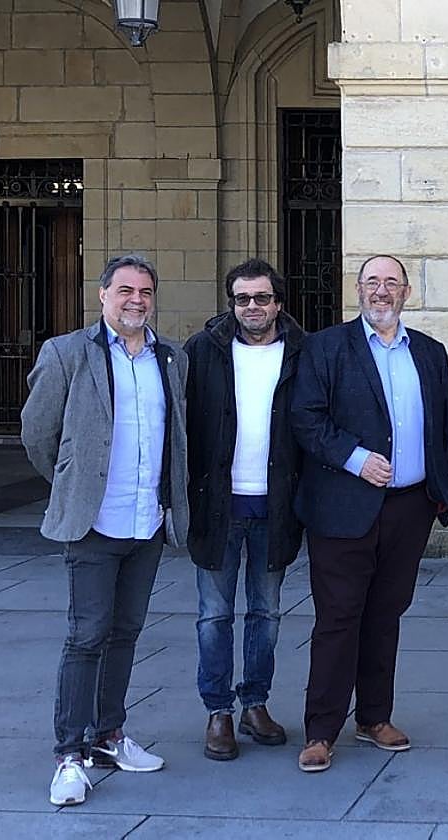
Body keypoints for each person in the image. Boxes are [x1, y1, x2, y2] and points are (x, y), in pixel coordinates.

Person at [21, 254, 188, 806]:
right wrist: (74, 483)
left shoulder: (170, 359)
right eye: (124, 290)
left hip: (147, 522)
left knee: (126, 633)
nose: (135, 300)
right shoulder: (67, 353)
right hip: (94, 523)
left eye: (145, 290)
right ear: (102, 295)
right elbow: (38, 434)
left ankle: (109, 735)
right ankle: (70, 753)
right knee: (85, 636)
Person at [291, 254, 448, 772]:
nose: (381, 291)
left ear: (406, 292)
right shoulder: (325, 347)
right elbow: (306, 417)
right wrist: (357, 459)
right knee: (339, 619)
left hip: (409, 509)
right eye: (371, 283)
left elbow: (443, 427)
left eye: (391, 283)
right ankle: (321, 729)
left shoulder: (429, 352)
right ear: (357, 290)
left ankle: (374, 717)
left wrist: (440, 494)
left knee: (386, 615)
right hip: (343, 508)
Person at [184, 259, 305, 760]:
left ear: (278, 302)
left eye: (261, 298)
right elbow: (182, 424)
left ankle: (255, 701)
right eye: (241, 299)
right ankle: (219, 711)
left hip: (276, 506)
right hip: (217, 507)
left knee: (267, 612)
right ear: (231, 304)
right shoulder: (203, 351)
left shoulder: (303, 352)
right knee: (214, 615)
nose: (251, 307)